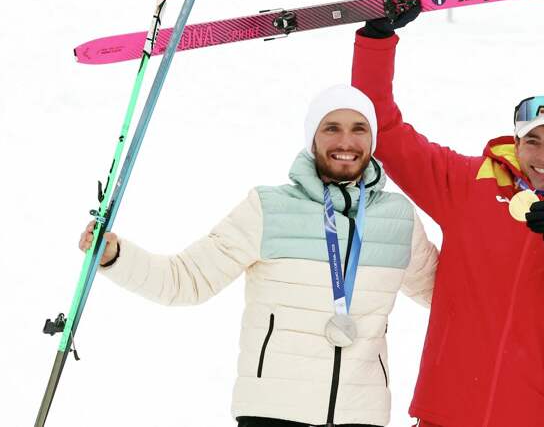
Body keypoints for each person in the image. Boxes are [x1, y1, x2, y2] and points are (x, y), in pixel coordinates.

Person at [78, 84, 438, 427]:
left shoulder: (398, 219)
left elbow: (446, 296)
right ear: (312, 138)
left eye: (359, 128)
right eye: (332, 128)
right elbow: (186, 281)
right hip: (273, 413)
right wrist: (116, 257)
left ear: (372, 139)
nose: (346, 141)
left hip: (361, 415)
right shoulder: (268, 208)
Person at [350, 0, 544, 426]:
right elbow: (382, 130)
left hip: (535, 416)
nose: (543, 155)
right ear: (515, 143)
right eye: (532, 141)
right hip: (446, 409)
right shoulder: (470, 184)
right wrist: (377, 40)